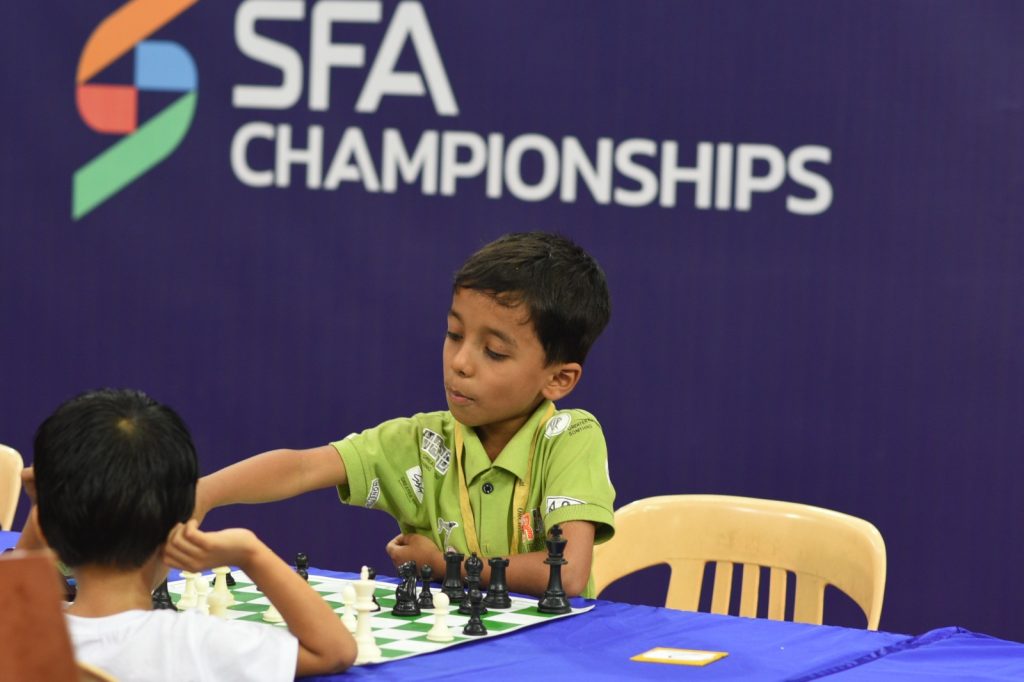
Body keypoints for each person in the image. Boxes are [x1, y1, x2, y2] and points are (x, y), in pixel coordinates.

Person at [197, 232, 616, 597]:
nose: (461, 362)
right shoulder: (420, 441)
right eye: (454, 335)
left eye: (495, 352)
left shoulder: (570, 436)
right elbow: (304, 467)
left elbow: (569, 573)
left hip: (555, 652)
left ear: (558, 379)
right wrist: (204, 492)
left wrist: (444, 563)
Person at [16, 388, 355, 680]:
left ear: (46, 525)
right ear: (179, 526)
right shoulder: (198, 644)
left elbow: (14, 594)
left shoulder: (20, 635)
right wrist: (251, 553)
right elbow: (334, 651)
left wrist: (44, 507)